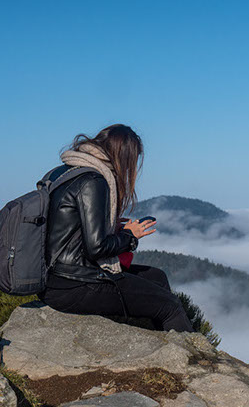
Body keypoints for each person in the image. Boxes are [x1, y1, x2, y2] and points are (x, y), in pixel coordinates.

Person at [37, 123, 195, 332]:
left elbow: (67, 226)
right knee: (170, 306)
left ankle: (161, 346)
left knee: (157, 278)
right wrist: (130, 235)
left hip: (53, 278)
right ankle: (190, 362)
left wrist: (110, 226)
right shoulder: (94, 180)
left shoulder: (64, 171)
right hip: (74, 284)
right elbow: (97, 248)